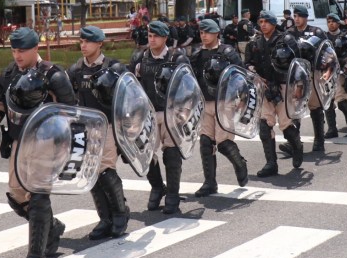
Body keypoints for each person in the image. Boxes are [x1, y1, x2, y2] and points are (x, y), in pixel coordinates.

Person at [0, 27, 78, 258]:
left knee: (37, 195)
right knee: (17, 195)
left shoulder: (53, 75)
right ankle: (51, 227)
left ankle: (36, 257)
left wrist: (68, 144)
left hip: (46, 142)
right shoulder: (8, 74)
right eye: (14, 50)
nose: (17, 55)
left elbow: (71, 111)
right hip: (19, 141)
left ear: (36, 48)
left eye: (22, 51)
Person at [67, 25, 131, 239]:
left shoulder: (114, 68)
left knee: (105, 170)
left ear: (99, 43)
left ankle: (120, 213)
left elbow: (131, 96)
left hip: (109, 126)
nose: (83, 45)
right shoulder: (75, 70)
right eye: (81, 41)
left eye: (88, 41)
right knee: (92, 172)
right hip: (86, 128)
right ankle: (105, 218)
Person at [133, 20, 191, 214]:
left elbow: (188, 86)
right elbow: (130, 87)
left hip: (170, 113)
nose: (152, 39)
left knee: (171, 154)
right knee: (146, 153)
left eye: (156, 36)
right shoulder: (140, 58)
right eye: (150, 36)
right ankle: (158, 187)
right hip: (147, 114)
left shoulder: (177, 58)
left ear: (165, 38)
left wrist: (184, 112)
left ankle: (173, 194)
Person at [190, 18, 250, 195]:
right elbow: (191, 78)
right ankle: (210, 183)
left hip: (225, 102)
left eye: (207, 32)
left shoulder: (228, 52)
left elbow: (241, 75)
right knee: (205, 142)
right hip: (205, 102)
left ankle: (240, 164)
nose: (204, 36)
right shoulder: (197, 54)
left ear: (216, 33)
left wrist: (242, 99)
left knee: (223, 143)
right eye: (201, 32)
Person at [244, 10, 303, 176]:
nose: (263, 25)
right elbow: (247, 64)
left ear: (274, 23)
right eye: (261, 22)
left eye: (266, 22)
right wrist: (254, 73)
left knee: (286, 126)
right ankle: (271, 164)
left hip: (284, 86)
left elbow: (298, 65)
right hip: (264, 87)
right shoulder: (255, 43)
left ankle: (297, 147)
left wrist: (299, 86)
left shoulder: (287, 39)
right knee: (264, 126)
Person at [277, 6, 331, 155]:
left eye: (299, 16)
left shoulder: (316, 32)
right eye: (295, 16)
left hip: (312, 72)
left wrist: (327, 69)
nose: (296, 19)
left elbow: (327, 51)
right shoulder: (289, 33)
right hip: (295, 75)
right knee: (295, 107)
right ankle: (294, 143)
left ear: (306, 17)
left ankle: (319, 140)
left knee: (315, 106)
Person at [322, 13, 345, 139]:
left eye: (333, 21)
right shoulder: (324, 37)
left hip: (342, 71)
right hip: (327, 72)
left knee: (342, 101)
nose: (331, 24)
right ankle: (332, 128)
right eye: (329, 22)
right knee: (327, 100)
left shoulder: (344, 36)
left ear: (338, 23)